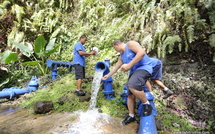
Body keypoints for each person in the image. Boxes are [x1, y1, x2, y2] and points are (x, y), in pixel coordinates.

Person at [102, 39, 153, 125]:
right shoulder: (121, 56)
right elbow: (116, 66)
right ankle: (131, 115)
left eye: (115, 48)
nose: (116, 50)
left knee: (132, 85)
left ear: (117, 45)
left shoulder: (130, 44)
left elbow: (141, 53)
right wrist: (108, 75)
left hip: (144, 68)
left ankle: (147, 104)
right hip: (134, 71)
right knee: (130, 94)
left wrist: (129, 65)